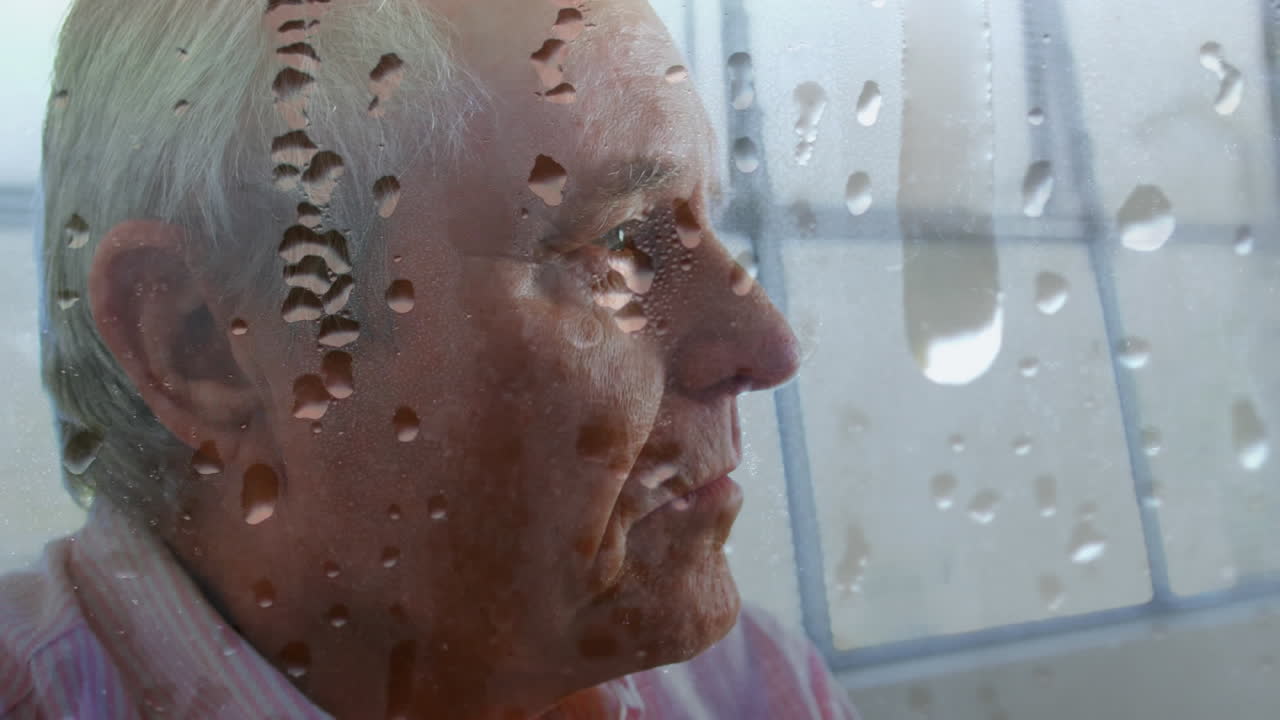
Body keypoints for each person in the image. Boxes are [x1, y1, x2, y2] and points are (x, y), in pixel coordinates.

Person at [0, 0, 860, 717]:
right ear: (202, 346)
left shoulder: (757, 688)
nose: (768, 347)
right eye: (622, 242)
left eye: (710, 217)